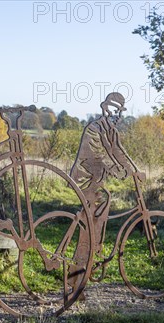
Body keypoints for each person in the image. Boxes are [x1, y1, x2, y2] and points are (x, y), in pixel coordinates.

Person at [69, 92, 144, 291]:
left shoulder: (112, 131)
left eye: (119, 111)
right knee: (89, 228)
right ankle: (77, 274)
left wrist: (134, 171)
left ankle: (93, 254)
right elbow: (100, 155)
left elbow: (119, 151)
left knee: (101, 210)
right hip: (85, 180)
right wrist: (118, 170)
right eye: (113, 110)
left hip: (97, 181)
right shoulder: (94, 128)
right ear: (104, 108)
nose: (116, 115)